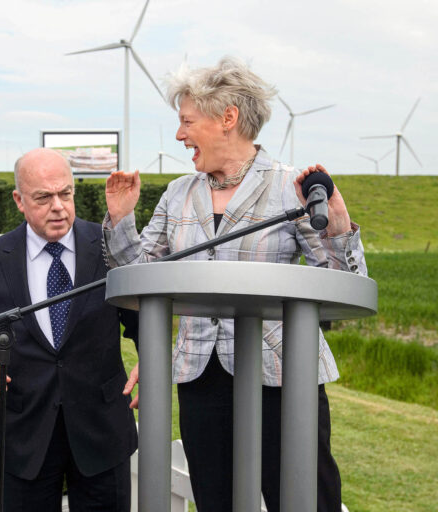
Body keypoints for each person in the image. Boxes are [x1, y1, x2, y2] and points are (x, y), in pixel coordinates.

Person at [102, 57, 366, 512]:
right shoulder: (178, 192)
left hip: (284, 377)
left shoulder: (293, 188)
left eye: (187, 122)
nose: (180, 135)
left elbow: (344, 282)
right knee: (215, 499)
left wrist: (338, 227)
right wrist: (122, 219)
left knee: (304, 497)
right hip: (200, 376)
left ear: (228, 119)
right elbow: (139, 273)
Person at [0, 148, 139, 511]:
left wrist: (151, 359)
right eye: (43, 197)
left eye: (65, 193)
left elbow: (142, 318)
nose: (58, 206)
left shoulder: (107, 246)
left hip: (102, 429)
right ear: (19, 201)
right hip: (27, 434)